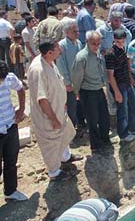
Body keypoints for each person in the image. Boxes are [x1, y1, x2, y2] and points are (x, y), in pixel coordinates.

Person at [28, 41, 83, 181]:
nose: (60, 49)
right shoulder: (38, 69)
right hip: (48, 116)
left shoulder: (51, 62)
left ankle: (65, 157)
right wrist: (53, 118)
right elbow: (42, 99)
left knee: (66, 133)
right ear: (49, 53)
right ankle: (54, 172)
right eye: (57, 48)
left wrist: (63, 103)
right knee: (51, 144)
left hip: (59, 110)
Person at [72, 31, 111, 152]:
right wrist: (76, 92)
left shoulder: (97, 53)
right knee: (92, 119)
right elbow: (77, 77)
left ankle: (105, 140)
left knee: (104, 117)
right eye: (94, 43)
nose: (96, 46)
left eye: (98, 43)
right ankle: (96, 145)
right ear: (87, 42)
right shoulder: (81, 57)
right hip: (87, 92)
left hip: (98, 89)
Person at [0, 60, 28, 201]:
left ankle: (10, 191)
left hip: (10, 126)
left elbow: (20, 88)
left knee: (11, 161)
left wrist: (22, 108)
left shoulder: (9, 78)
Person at [105, 29, 135, 142]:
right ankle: (123, 135)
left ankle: (133, 128)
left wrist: (130, 77)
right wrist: (117, 92)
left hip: (127, 82)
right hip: (119, 85)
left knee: (134, 106)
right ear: (114, 40)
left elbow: (125, 65)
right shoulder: (110, 54)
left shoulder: (123, 49)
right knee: (122, 110)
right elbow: (110, 75)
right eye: (118, 42)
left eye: (122, 41)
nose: (120, 44)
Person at [56, 19, 84, 128]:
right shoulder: (62, 46)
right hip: (70, 83)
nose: (77, 33)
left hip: (80, 80)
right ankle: (72, 129)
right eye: (74, 32)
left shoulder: (79, 43)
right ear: (67, 33)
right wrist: (67, 83)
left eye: (77, 31)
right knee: (71, 106)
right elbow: (61, 66)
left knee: (81, 104)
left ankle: (81, 124)